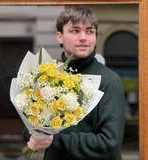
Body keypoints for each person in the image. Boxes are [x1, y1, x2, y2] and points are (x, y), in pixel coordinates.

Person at [23, 6, 126, 160]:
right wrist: (32, 134)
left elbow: (109, 143)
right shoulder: (47, 75)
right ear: (59, 36)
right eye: (75, 30)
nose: (83, 37)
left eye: (90, 31)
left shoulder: (109, 80)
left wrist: (53, 140)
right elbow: (30, 125)